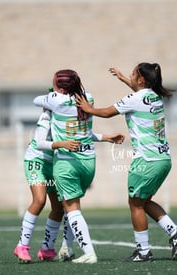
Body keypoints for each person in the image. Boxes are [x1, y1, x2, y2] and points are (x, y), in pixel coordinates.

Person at [75, 63, 177, 262]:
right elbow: (139, 94)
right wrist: (123, 79)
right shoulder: (154, 96)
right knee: (143, 201)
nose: (130, 75)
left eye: (132, 73)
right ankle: (174, 232)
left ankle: (143, 251)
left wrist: (88, 109)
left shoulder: (135, 99)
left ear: (141, 79)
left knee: (135, 204)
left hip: (146, 160)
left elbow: (108, 112)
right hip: (163, 159)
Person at [34, 69, 124, 264]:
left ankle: (89, 252)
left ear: (59, 85)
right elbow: (82, 131)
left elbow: (36, 100)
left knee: (72, 208)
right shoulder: (87, 98)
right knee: (70, 206)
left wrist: (54, 93)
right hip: (88, 162)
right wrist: (106, 137)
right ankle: (67, 247)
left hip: (67, 162)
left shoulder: (53, 100)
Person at [14, 107, 124, 263]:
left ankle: (47, 248)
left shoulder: (68, 112)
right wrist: (61, 144)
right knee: (39, 200)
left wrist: (106, 137)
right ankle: (22, 246)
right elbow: (39, 142)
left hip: (56, 163)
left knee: (59, 207)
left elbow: (83, 135)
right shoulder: (47, 115)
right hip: (37, 160)